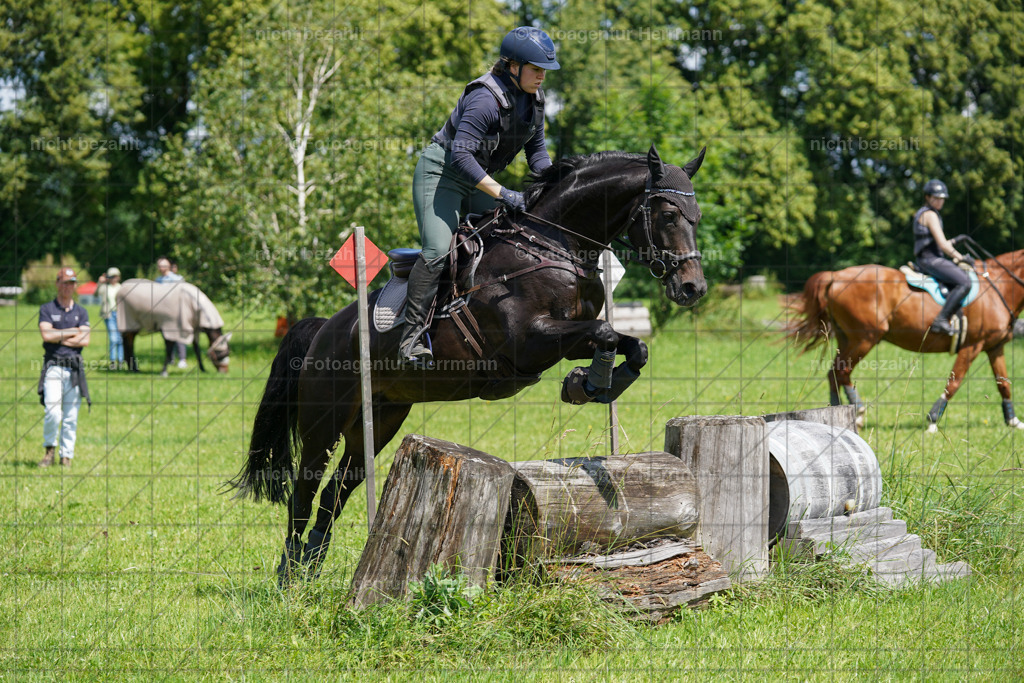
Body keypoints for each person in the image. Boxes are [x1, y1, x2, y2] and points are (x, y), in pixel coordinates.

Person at [397, 26, 560, 364]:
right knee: (438, 251)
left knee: (518, 231)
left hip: (477, 180)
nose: (542, 76)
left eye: (545, 70)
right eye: (536, 69)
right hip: (441, 175)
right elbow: (460, 156)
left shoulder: (536, 102)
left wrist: (556, 185)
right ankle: (410, 339)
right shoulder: (485, 98)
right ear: (513, 66)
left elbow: (538, 155)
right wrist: (503, 192)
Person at [37, 267, 91, 468]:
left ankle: (66, 456)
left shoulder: (81, 311)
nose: (68, 286)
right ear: (57, 283)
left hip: (74, 369)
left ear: (75, 286)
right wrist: (73, 332)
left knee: (71, 415)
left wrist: (58, 336)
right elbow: (46, 336)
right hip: (53, 366)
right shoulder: (47, 309)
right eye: (64, 282)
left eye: (71, 283)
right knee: (52, 410)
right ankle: (49, 450)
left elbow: (85, 340)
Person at [912, 178, 975, 335]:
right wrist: (961, 257)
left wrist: (955, 240)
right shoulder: (930, 215)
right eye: (936, 198)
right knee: (965, 282)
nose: (940, 201)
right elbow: (942, 245)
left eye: (942, 198)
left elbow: (938, 241)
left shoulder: (926, 213)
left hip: (929, 258)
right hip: (930, 260)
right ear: (927, 197)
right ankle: (941, 320)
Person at [155, 256, 188, 368]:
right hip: (163, 314)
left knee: (179, 335)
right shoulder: (157, 281)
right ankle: (170, 358)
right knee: (167, 337)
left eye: (163, 265)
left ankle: (182, 359)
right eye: (159, 266)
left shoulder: (177, 279)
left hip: (176, 312)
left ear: (168, 266)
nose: (161, 268)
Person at [97, 267, 123, 368]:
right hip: (109, 314)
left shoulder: (121, 287)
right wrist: (100, 283)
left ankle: (120, 361)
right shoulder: (105, 287)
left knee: (120, 339)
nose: (113, 278)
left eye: (114, 276)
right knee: (113, 338)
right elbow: (96, 294)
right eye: (111, 277)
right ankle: (113, 361)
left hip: (120, 315)